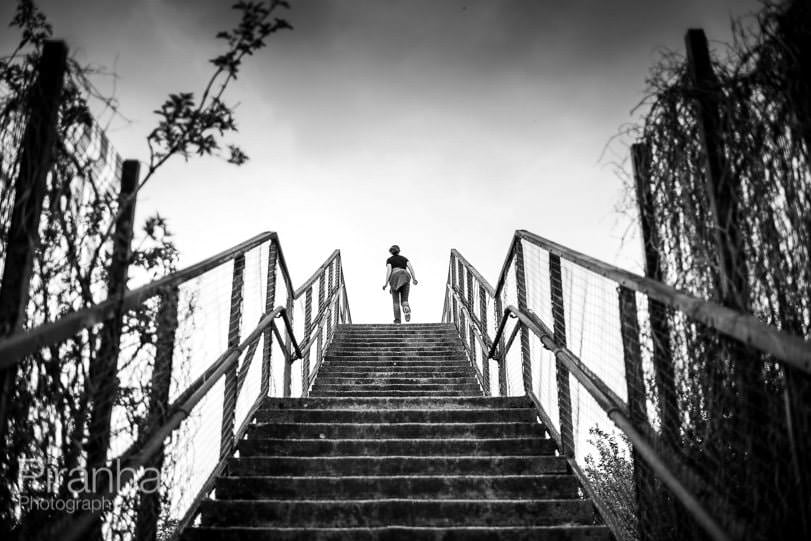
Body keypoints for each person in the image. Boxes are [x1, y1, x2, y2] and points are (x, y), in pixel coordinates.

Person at [382, 245, 418, 323]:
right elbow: (411, 268)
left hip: (395, 277)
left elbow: (389, 271)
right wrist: (414, 278)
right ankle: (406, 308)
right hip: (405, 276)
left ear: (391, 252)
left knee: (396, 301)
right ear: (399, 251)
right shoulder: (404, 259)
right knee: (405, 300)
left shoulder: (389, 260)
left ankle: (397, 320)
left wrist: (386, 283)